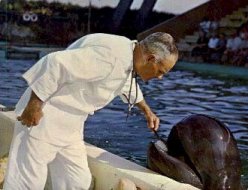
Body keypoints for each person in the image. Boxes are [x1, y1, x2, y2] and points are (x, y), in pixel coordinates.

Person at [3, 32, 178, 189]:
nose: (160, 77)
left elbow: (123, 83)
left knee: (76, 181)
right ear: (150, 58)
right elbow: (55, 63)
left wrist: (147, 110)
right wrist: (34, 106)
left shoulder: (129, 54)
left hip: (71, 125)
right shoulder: (110, 58)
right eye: (161, 71)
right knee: (27, 182)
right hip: (44, 118)